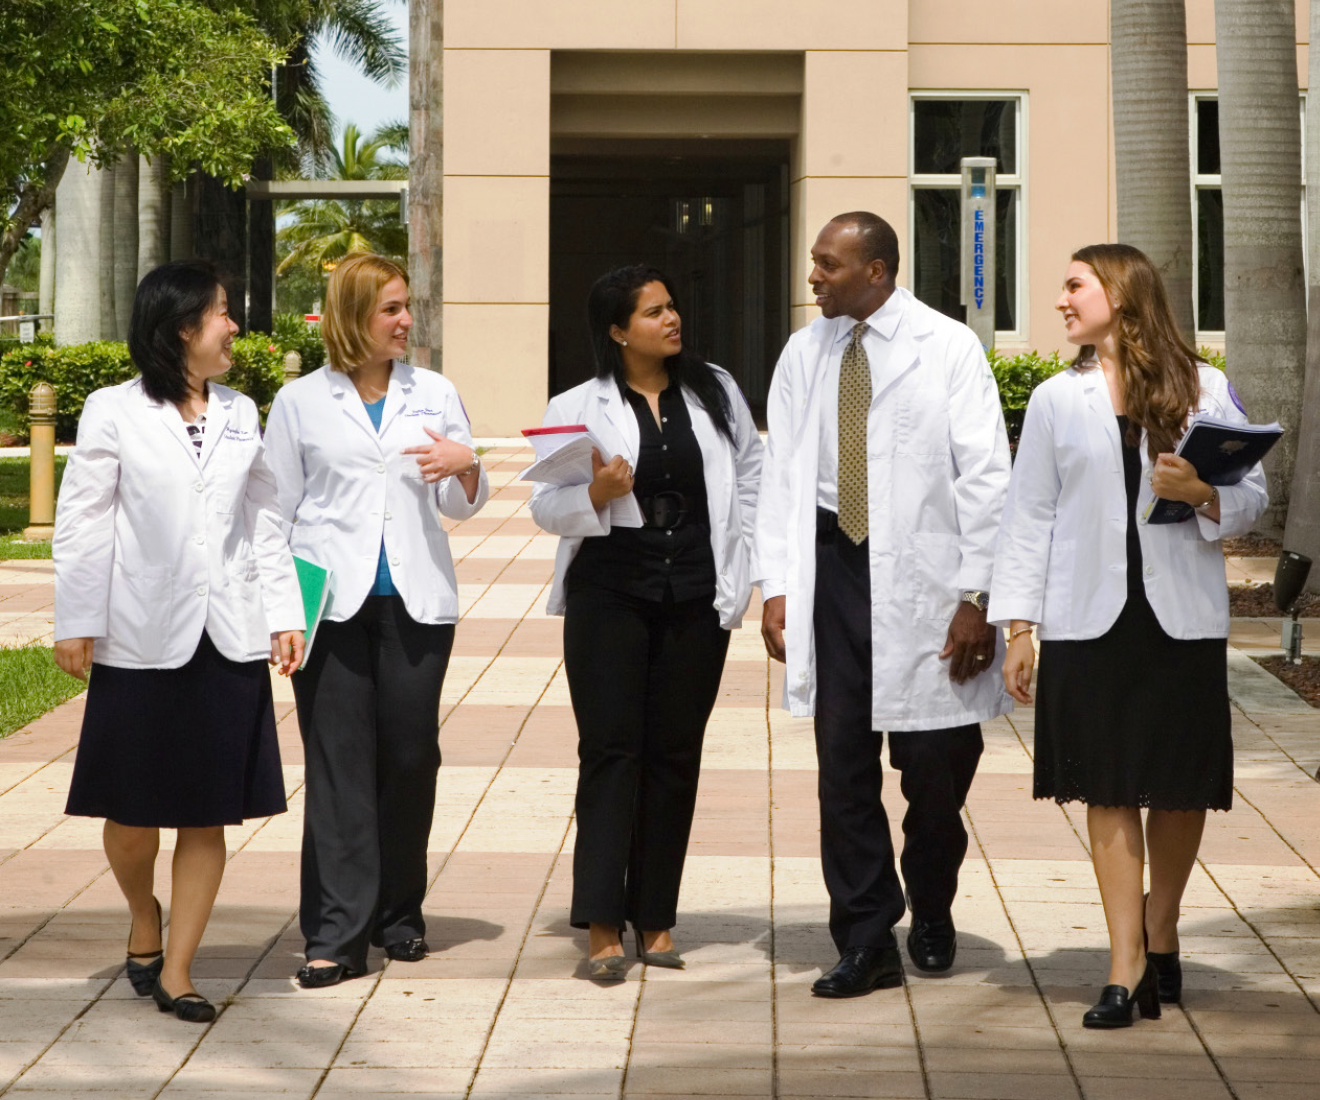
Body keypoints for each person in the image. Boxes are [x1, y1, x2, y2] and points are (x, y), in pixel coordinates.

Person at [989, 243, 1268, 1028]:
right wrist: (1019, 626)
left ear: (1121, 290)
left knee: (1178, 790)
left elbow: (1256, 495)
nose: (1062, 301)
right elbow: (1027, 517)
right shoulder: (1053, 399)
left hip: (1179, 619)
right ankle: (1125, 965)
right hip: (1086, 618)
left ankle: (1161, 923)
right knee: (1108, 786)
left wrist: (1206, 493)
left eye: (1074, 285)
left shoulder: (1205, 387)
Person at [754, 212, 1012, 997]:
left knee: (938, 770)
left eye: (827, 264)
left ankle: (930, 902)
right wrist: (777, 586)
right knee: (843, 767)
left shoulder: (948, 348)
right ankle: (866, 935)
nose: (813, 277)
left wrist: (976, 595)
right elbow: (782, 475)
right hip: (833, 569)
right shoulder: (807, 351)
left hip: (932, 582)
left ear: (877, 270)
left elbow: (986, 477)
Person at [53, 261, 306, 1023]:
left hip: (225, 637)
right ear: (180, 328)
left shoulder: (241, 410)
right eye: (223, 313)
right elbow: (85, 518)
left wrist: (283, 613)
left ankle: (182, 970)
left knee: (206, 813)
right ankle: (143, 916)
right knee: (130, 819)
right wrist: (77, 619)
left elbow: (264, 520)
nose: (235, 326)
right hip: (139, 635)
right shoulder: (112, 410)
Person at [529, 264, 763, 978]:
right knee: (611, 753)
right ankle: (603, 925)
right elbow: (547, 507)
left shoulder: (716, 390)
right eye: (654, 311)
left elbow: (752, 475)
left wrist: (745, 559)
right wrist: (595, 493)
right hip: (610, 596)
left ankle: (656, 920)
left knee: (674, 755)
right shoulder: (576, 405)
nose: (672, 319)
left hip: (695, 594)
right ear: (616, 330)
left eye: (673, 305)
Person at [263, 252, 488, 988]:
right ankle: (336, 934)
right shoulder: (299, 402)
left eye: (406, 306)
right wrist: (282, 611)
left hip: (418, 603)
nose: (405, 320)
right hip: (329, 605)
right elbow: (274, 513)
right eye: (390, 308)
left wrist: (466, 465)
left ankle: (400, 916)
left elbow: (459, 505)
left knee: (409, 757)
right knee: (338, 768)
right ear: (353, 316)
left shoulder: (436, 392)